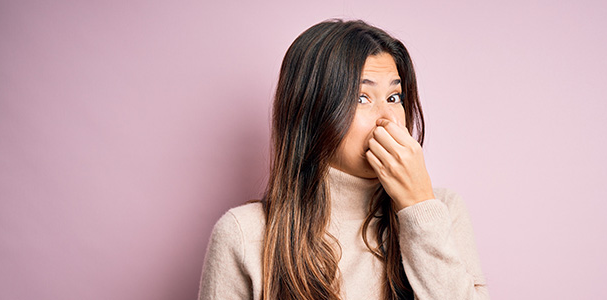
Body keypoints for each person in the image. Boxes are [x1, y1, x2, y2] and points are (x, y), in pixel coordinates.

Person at [198, 19, 489, 300]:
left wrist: (418, 207)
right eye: (362, 98)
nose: (388, 120)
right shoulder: (244, 234)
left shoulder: (443, 211)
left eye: (394, 97)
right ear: (313, 111)